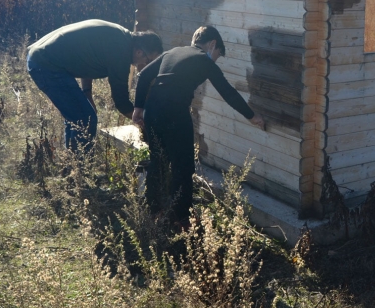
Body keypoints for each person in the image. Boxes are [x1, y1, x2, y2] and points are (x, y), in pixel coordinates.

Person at [132, 26, 265, 222]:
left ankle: (153, 214)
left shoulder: (173, 51)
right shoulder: (205, 60)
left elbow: (143, 76)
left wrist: (138, 108)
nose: (216, 59)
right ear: (212, 45)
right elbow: (228, 92)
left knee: (158, 161)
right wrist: (252, 116)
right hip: (175, 113)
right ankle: (181, 221)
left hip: (153, 110)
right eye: (218, 54)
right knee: (183, 167)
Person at [27, 20, 163, 152]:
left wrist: (87, 93)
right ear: (139, 52)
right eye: (149, 61)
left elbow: (86, 58)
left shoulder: (121, 37)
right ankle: (81, 166)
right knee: (85, 118)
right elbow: (121, 102)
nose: (147, 66)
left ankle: (72, 164)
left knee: (77, 116)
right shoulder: (121, 54)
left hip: (42, 56)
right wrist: (144, 123)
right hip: (46, 65)